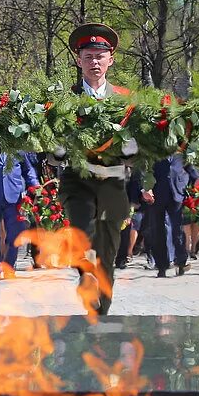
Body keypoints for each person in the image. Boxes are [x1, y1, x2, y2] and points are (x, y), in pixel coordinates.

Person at [55, 23, 136, 315]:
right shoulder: (65, 100)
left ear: (110, 60)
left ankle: (101, 311)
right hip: (78, 179)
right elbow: (50, 147)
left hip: (114, 183)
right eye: (88, 56)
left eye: (100, 56)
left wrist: (132, 147)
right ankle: (86, 277)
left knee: (108, 253)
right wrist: (58, 146)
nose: (94, 62)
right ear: (79, 60)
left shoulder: (126, 100)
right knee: (81, 234)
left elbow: (142, 149)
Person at [0, 151, 39, 278]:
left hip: (14, 195)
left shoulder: (17, 147)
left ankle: (9, 265)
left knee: (15, 233)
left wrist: (34, 185)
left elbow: (28, 169)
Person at [145, 154, 198, 278]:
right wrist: (145, 188)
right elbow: (143, 167)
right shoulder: (152, 148)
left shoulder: (180, 146)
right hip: (156, 193)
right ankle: (161, 265)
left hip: (176, 193)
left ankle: (180, 262)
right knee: (158, 231)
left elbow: (189, 166)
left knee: (177, 229)